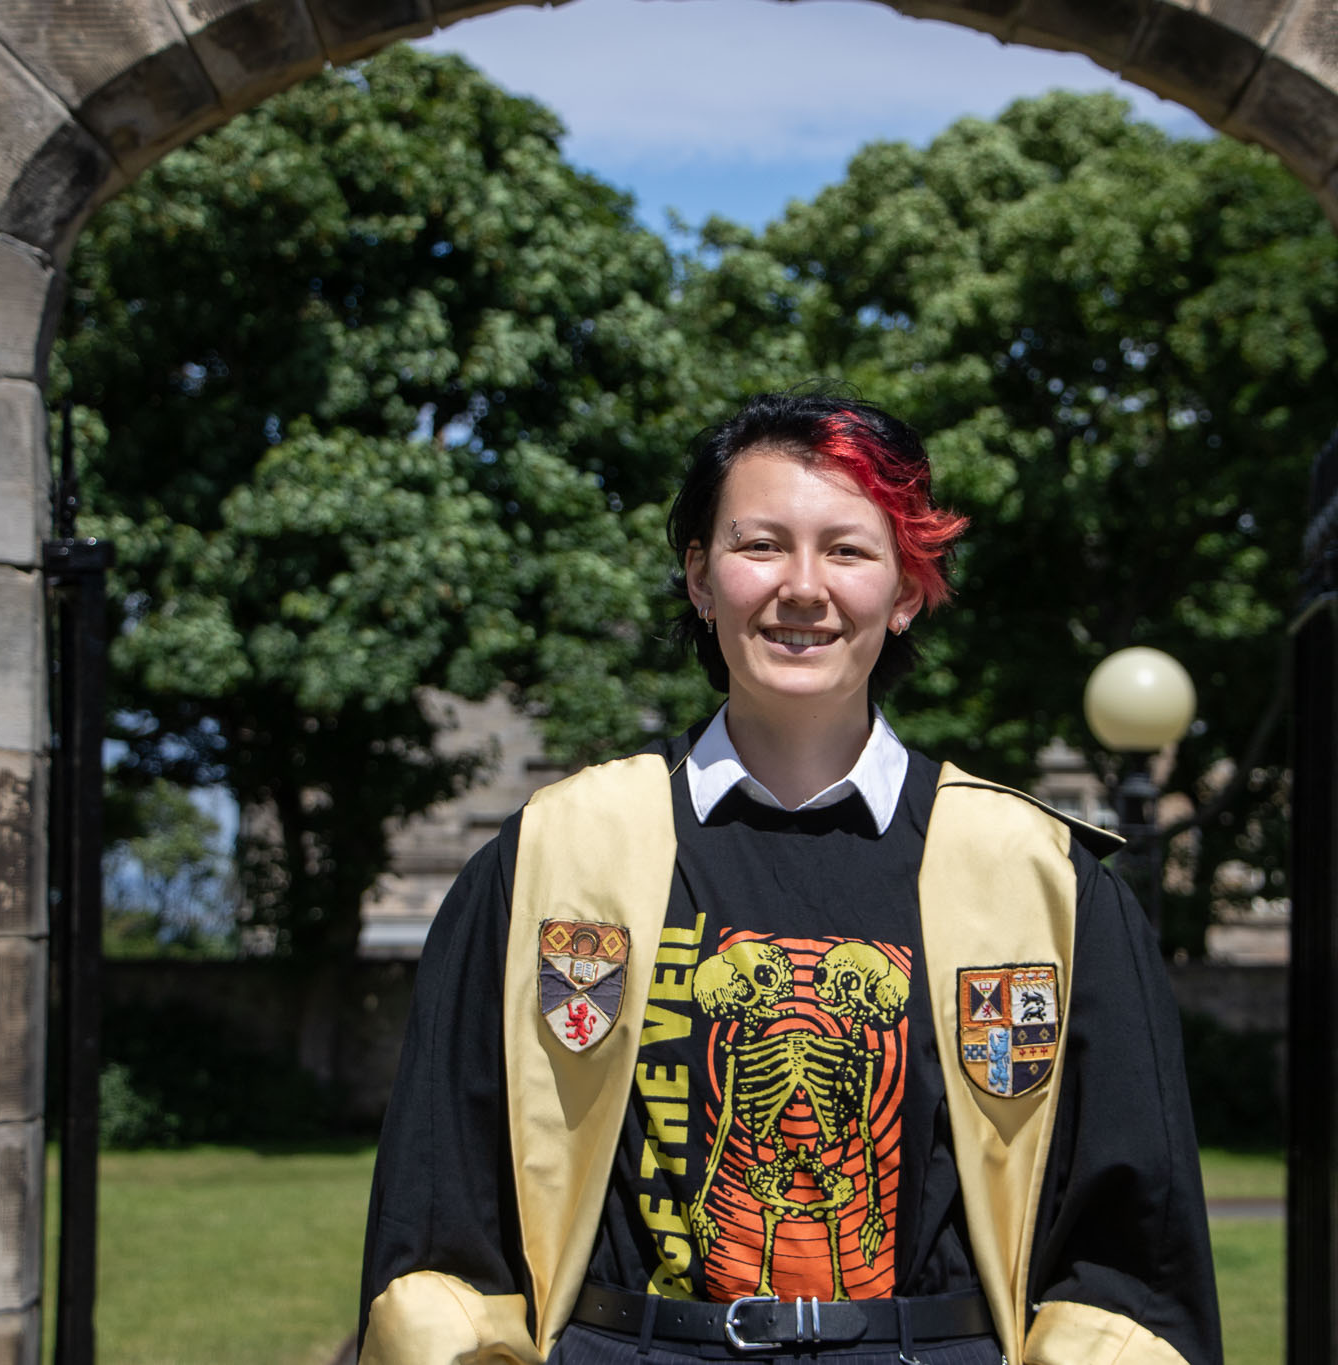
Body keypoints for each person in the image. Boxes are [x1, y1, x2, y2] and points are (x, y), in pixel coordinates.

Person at [358, 393, 1221, 1365]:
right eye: (759, 544)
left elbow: (1128, 1255)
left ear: (903, 592)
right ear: (699, 579)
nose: (802, 588)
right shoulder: (555, 861)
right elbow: (441, 1223)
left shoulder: (1036, 882)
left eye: (848, 551)